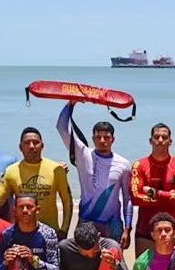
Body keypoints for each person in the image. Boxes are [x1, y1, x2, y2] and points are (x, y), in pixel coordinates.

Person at [56, 103, 133, 248]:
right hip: (87, 221)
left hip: (113, 224)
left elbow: (128, 198)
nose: (102, 141)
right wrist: (71, 103)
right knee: (83, 264)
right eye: (98, 137)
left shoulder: (123, 164)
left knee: (111, 266)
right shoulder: (83, 153)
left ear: (113, 139)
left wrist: (128, 229)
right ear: (93, 138)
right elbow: (61, 128)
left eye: (106, 137)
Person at [0, 127, 72, 238]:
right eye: (27, 143)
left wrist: (64, 230)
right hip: (21, 233)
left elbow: (67, 202)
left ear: (42, 146)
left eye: (36, 142)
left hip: (51, 233)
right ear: (20, 147)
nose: (32, 146)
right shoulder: (11, 171)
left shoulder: (56, 169)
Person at [130, 122, 175, 257]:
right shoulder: (139, 165)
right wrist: (170, 196)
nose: (161, 140)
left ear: (170, 141)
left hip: (172, 232)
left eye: (164, 137)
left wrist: (154, 193)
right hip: (145, 232)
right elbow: (135, 198)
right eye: (157, 137)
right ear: (150, 141)